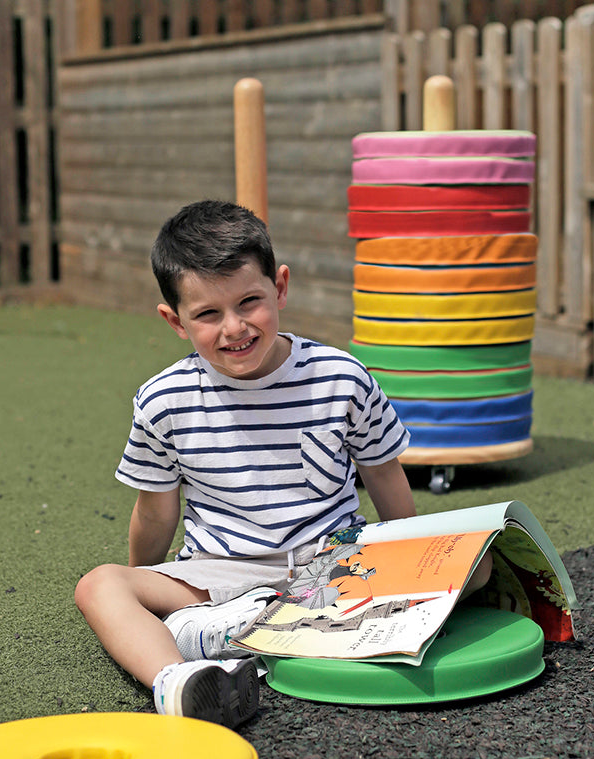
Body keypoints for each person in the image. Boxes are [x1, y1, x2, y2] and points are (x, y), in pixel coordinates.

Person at [74, 199, 417, 728]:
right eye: (208, 314)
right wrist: (148, 590)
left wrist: (419, 564)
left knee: (479, 562)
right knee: (101, 586)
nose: (233, 327)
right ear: (175, 320)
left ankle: (235, 635)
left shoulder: (341, 378)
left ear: (279, 287)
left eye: (249, 302)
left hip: (334, 562)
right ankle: (177, 680)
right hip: (218, 573)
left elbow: (384, 476)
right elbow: (155, 513)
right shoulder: (163, 400)